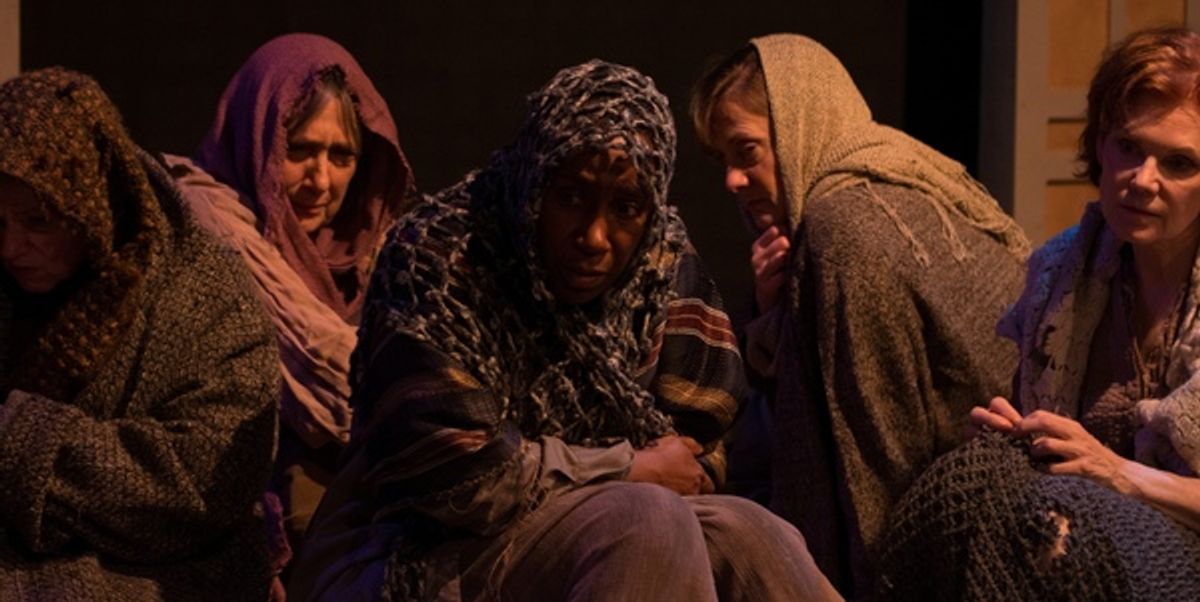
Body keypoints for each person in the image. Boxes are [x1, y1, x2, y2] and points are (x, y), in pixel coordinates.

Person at [290, 60, 841, 601]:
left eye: (626, 208)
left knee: (754, 534)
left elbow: (699, 439)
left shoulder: (659, 262)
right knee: (645, 520)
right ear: (535, 183)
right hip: (416, 543)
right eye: (572, 197)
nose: (596, 237)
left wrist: (652, 471)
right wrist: (625, 467)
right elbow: (450, 468)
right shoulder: (443, 257)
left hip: (595, 515)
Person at [690, 33, 1031, 595]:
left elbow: (872, 465)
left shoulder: (845, 225)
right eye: (722, 160)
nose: (730, 180)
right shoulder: (903, 172)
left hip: (970, 535)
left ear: (802, 126)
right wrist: (775, 320)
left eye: (746, 152)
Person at [880, 27, 1200, 601]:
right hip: (1071, 537)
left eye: (1179, 163)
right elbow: (1056, 446)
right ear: (1100, 144)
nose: (1142, 180)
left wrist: (1118, 473)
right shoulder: (1059, 272)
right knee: (971, 485)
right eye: (1129, 147)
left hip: (1180, 555)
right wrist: (1024, 434)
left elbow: (1102, 473)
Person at [0, 68, 277, 600]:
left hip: (171, 571)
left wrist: (20, 442)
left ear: (94, 205)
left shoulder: (204, 295)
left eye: (38, 221)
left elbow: (203, 482)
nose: (12, 249)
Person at [163, 33, 414, 589]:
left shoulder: (366, 253)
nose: (320, 181)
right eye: (298, 149)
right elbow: (333, 376)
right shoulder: (208, 219)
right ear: (258, 136)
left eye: (341, 156)